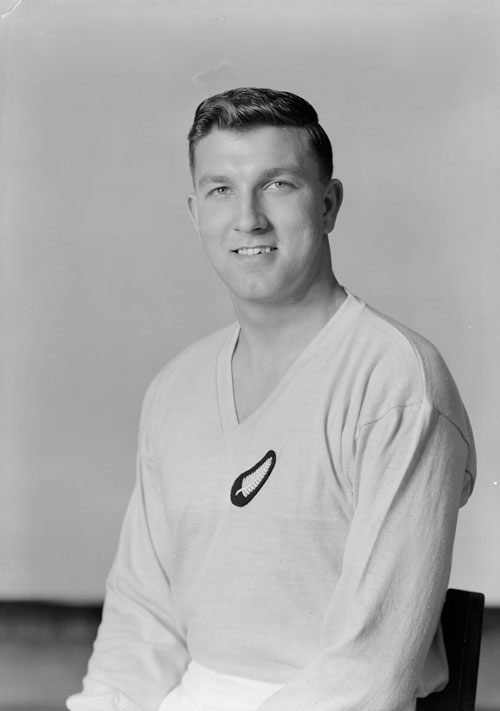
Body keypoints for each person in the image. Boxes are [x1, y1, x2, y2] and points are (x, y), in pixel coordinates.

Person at [67, 87, 476, 711]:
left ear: (329, 203)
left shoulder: (395, 383)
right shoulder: (175, 388)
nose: (248, 218)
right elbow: (140, 623)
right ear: (194, 212)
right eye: (220, 189)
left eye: (279, 184)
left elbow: (369, 673)